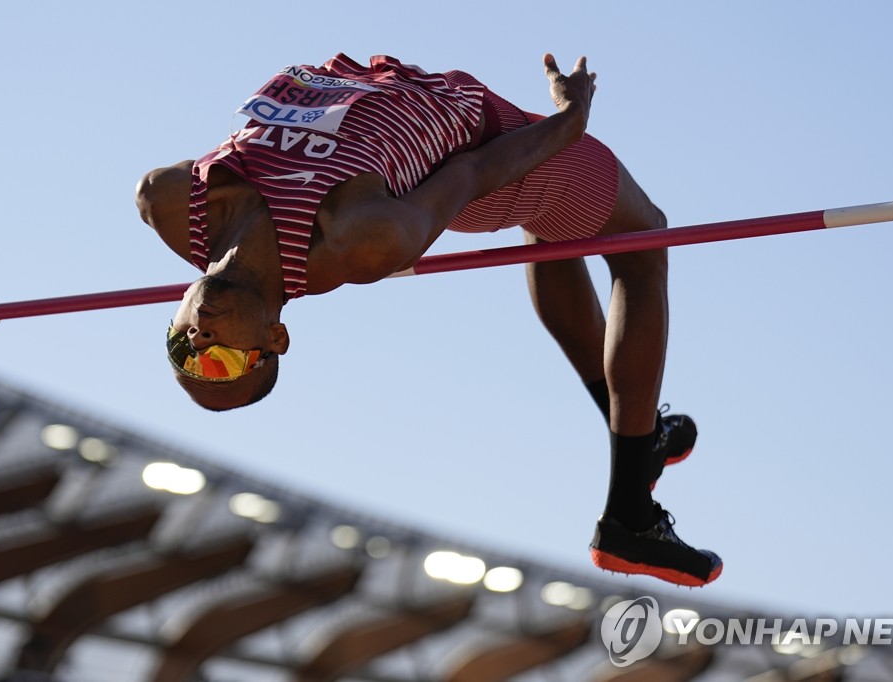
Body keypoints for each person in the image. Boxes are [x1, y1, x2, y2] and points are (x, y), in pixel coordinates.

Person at [135, 53, 722, 587]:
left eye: (184, 352)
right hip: (486, 144)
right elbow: (471, 175)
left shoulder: (169, 203)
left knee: (551, 233)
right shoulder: (357, 242)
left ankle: (636, 440)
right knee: (644, 242)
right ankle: (630, 516)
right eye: (220, 361)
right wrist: (568, 121)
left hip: (390, 98)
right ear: (275, 337)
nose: (201, 339)